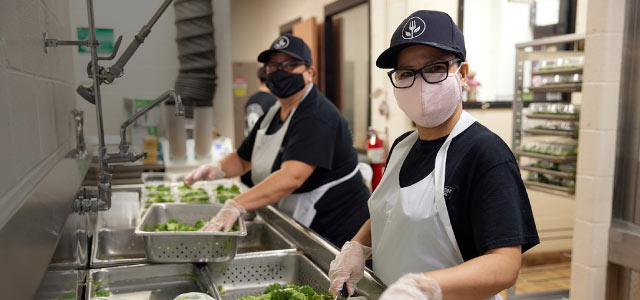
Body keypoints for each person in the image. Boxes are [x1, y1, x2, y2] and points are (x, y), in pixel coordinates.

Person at [327, 10, 539, 300]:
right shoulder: (402, 146)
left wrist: (423, 287)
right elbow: (391, 215)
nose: (420, 83)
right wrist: (358, 247)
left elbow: (505, 265)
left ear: (462, 74)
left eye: (435, 68)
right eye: (405, 73)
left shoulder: (484, 153)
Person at [184, 34, 371, 248]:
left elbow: (292, 176)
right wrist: (216, 168)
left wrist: (236, 205)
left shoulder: (316, 115)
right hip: (305, 224)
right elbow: (243, 159)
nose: (280, 71)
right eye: (273, 65)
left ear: (310, 73)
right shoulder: (274, 112)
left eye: (291, 65)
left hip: (340, 232)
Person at [241, 66, 277, 188]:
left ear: (258, 79)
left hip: (249, 156)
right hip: (266, 160)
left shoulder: (251, 99)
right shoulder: (275, 102)